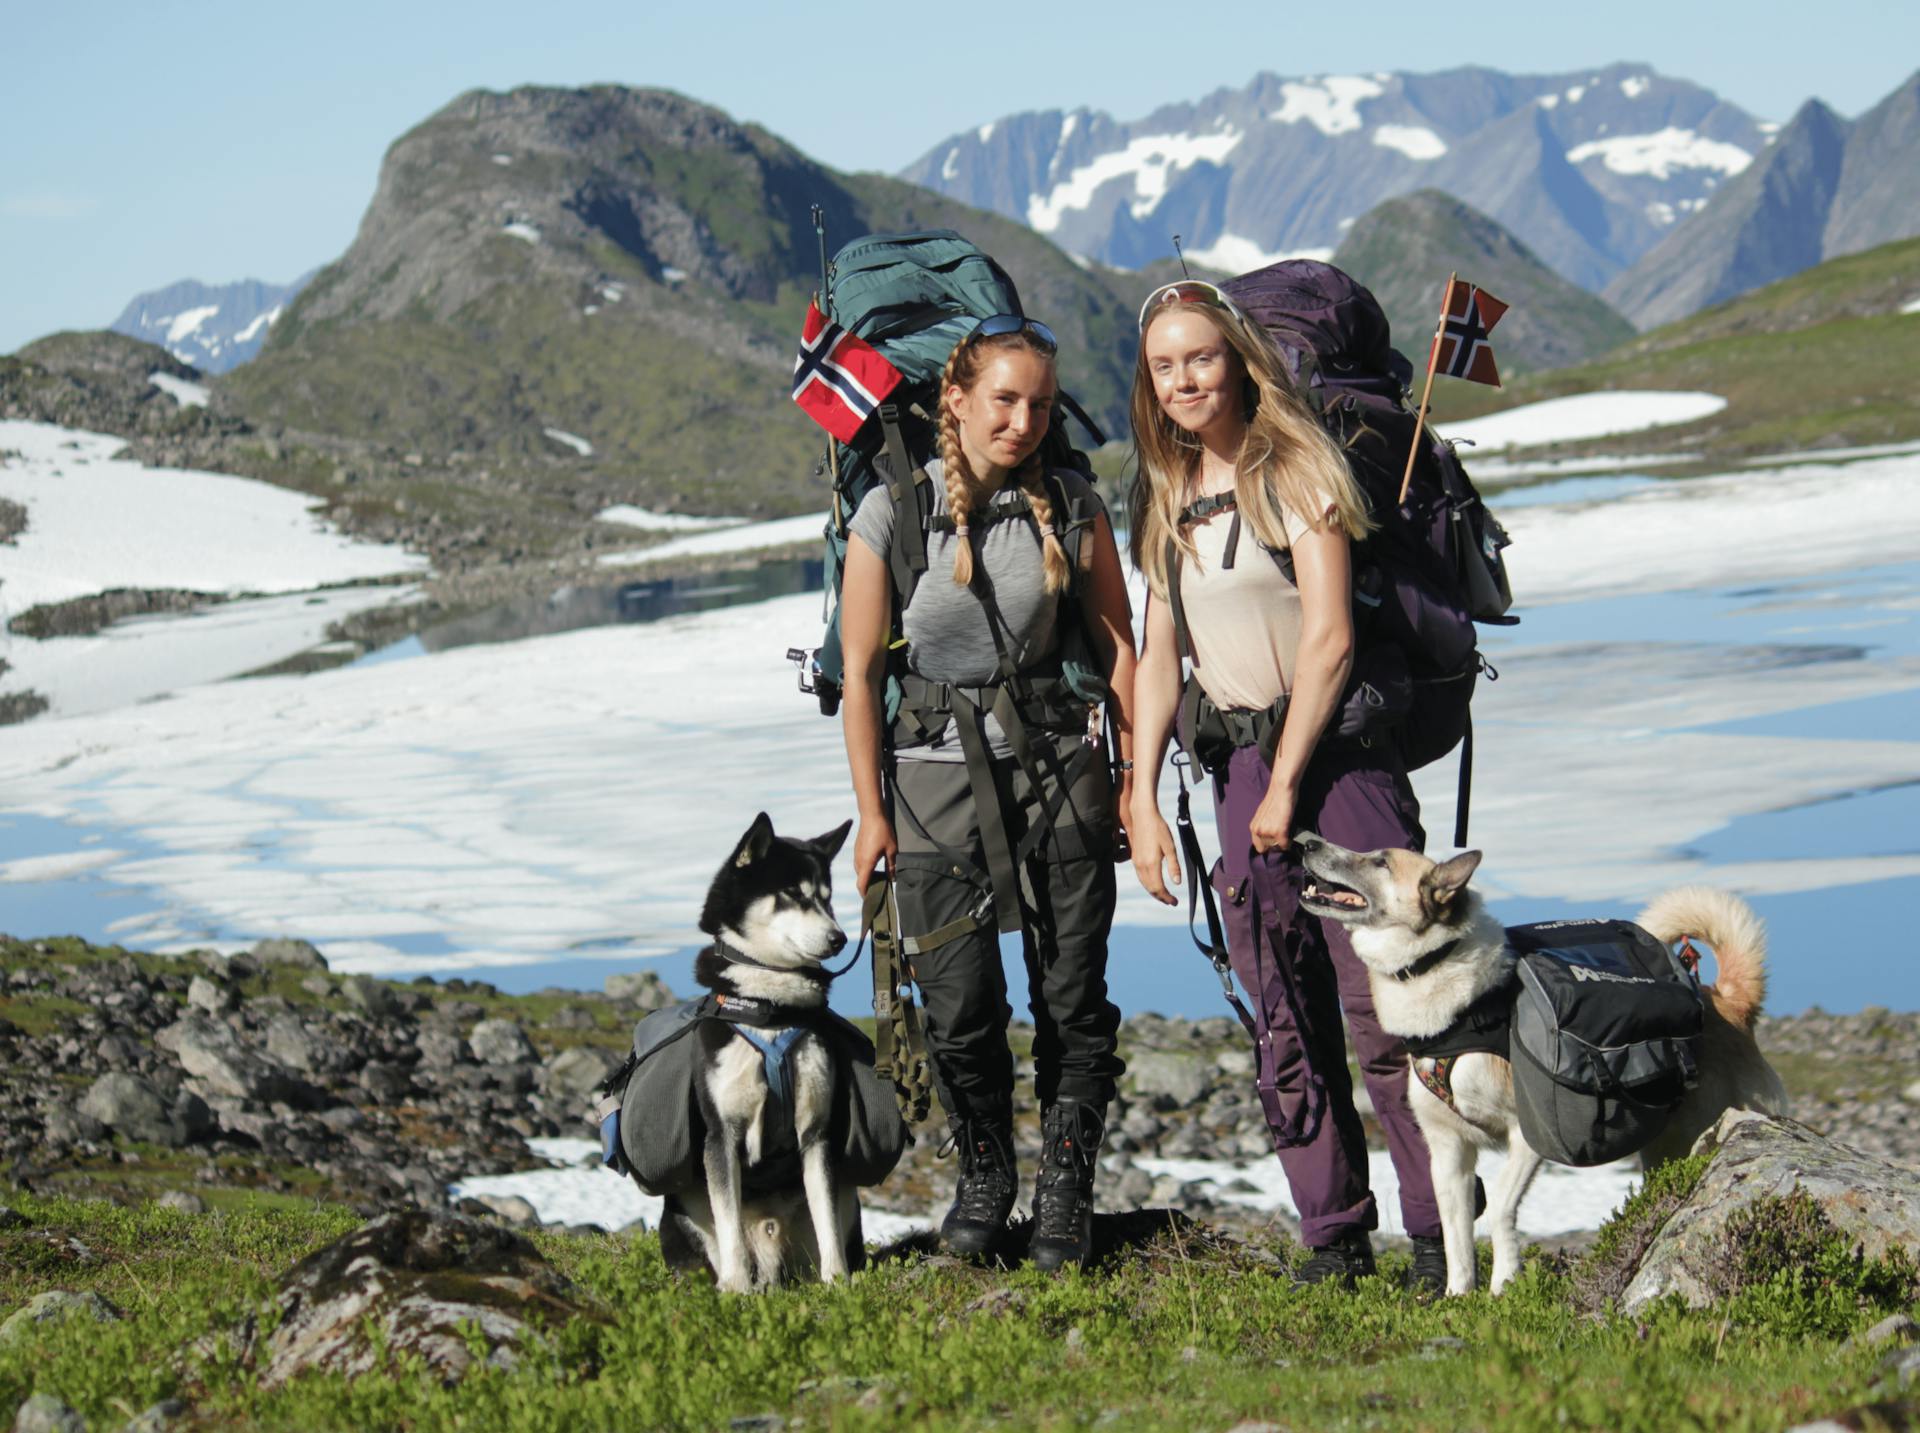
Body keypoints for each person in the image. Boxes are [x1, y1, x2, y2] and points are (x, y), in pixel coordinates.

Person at [1123, 279, 1449, 1292]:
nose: (1182, 379)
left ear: (1239, 360)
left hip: (1339, 764)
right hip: (1238, 768)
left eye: (1201, 358)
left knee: (1388, 1004)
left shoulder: (1294, 466)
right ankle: (1333, 1237)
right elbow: (1161, 647)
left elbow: (1331, 635)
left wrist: (1287, 781)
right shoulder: (1165, 490)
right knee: (1284, 1012)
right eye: (1165, 364)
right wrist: (1140, 798)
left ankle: (1441, 1238)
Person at [839, 314, 1138, 1271]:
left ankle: (1064, 1186)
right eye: (1004, 400)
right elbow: (856, 677)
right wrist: (870, 814)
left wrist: (1131, 786)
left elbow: (1120, 650)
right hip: (929, 786)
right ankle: (984, 1173)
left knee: (1072, 997)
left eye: (1040, 404)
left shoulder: (1076, 505)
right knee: (959, 1006)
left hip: (1060, 771)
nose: (1023, 420)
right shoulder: (893, 511)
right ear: (956, 402)